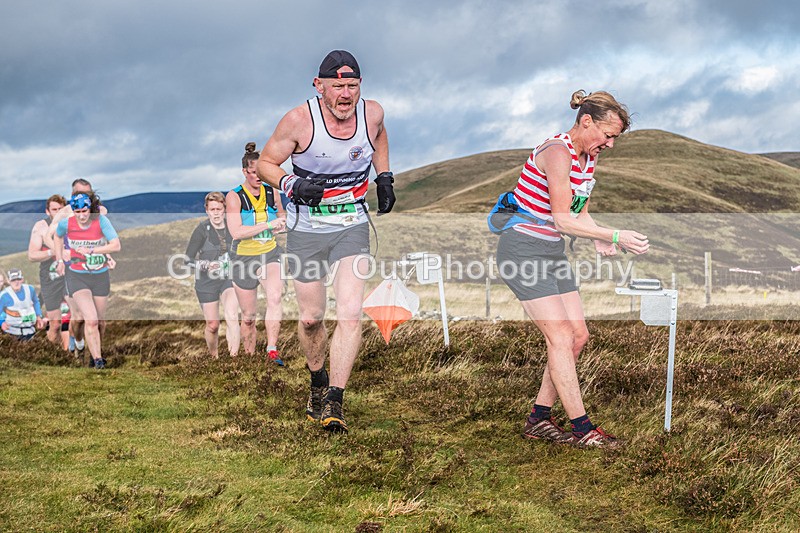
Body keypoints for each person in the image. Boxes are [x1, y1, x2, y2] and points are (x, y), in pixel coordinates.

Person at [494, 90, 649, 448]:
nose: (609, 144)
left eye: (615, 139)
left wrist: (598, 238)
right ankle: (583, 429)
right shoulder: (557, 152)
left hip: (551, 252)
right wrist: (615, 234)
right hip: (522, 251)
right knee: (560, 337)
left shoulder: (587, 158)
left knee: (578, 336)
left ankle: (539, 419)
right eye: (607, 135)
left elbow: (578, 212)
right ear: (586, 121)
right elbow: (562, 220)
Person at [257, 50, 395, 433]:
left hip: (351, 224)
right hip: (306, 230)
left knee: (350, 313)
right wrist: (291, 183)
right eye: (337, 86)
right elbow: (267, 163)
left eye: (353, 85)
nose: (346, 94)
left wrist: (384, 176)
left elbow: (380, 134)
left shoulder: (372, 113)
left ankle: (335, 399)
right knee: (311, 317)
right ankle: (317, 380)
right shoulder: (299, 121)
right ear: (319, 86)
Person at [226, 143, 287, 365]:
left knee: (275, 297)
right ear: (245, 171)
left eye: (261, 173)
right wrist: (268, 224)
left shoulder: (272, 192)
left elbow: (282, 216)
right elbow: (236, 232)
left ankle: (272, 350)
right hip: (243, 257)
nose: (258, 178)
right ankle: (250, 358)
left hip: (269, 253)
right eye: (253, 173)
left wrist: (281, 224)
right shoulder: (234, 197)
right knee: (249, 317)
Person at [53, 192, 121, 369]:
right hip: (77, 275)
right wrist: (60, 259)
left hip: (100, 275)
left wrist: (93, 251)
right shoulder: (67, 224)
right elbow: (57, 236)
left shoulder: (101, 221)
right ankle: (96, 358)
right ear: (73, 211)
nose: (82, 216)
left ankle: (94, 352)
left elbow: (116, 245)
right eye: (78, 212)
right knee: (89, 319)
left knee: (100, 321)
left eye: (85, 211)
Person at [185, 192, 241, 358]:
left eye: (219, 209)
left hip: (228, 278)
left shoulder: (233, 227)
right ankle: (214, 358)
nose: (216, 213)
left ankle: (234, 358)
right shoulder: (201, 230)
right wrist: (205, 265)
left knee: (232, 316)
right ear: (207, 211)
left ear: (225, 209)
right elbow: (187, 260)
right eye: (212, 209)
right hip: (206, 281)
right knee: (213, 325)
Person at [27, 194, 68, 346]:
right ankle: (51, 355)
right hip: (50, 277)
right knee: (55, 324)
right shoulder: (41, 227)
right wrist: (54, 252)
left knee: (74, 319)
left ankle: (74, 354)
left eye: (60, 209)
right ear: (47, 211)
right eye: (54, 209)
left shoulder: (71, 223)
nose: (57, 212)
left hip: (70, 275)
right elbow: (32, 255)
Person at [0, 269, 46, 341]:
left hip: (30, 331)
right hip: (12, 332)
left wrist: (38, 316)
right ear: (9, 281)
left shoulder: (30, 289)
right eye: (13, 280)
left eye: (18, 279)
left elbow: (36, 301)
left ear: (22, 279)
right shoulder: (4, 295)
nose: (16, 282)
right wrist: (2, 322)